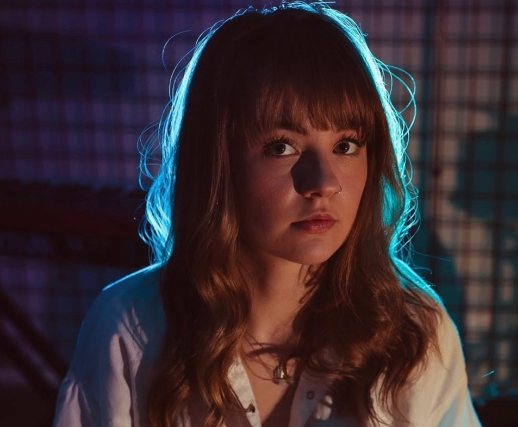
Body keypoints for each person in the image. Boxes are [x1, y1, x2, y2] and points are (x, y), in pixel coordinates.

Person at [53, 2, 482, 426]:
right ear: (217, 163)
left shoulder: (415, 332)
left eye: (346, 145)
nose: (324, 183)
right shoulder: (129, 327)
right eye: (282, 147)